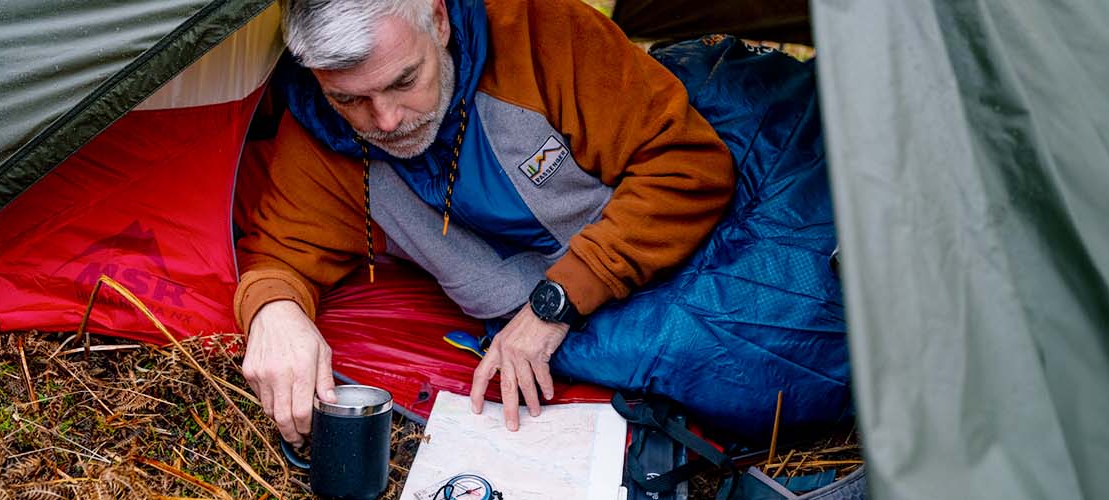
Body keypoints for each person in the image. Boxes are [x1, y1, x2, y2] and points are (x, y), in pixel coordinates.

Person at [236, 0, 848, 447]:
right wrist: (275, 313)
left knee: (811, 320)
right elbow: (282, 253)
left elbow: (686, 166)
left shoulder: (541, 35)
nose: (388, 119)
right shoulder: (322, 134)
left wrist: (554, 304)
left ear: (440, 19)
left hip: (687, 197)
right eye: (351, 99)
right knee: (730, 375)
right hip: (604, 282)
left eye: (405, 80)